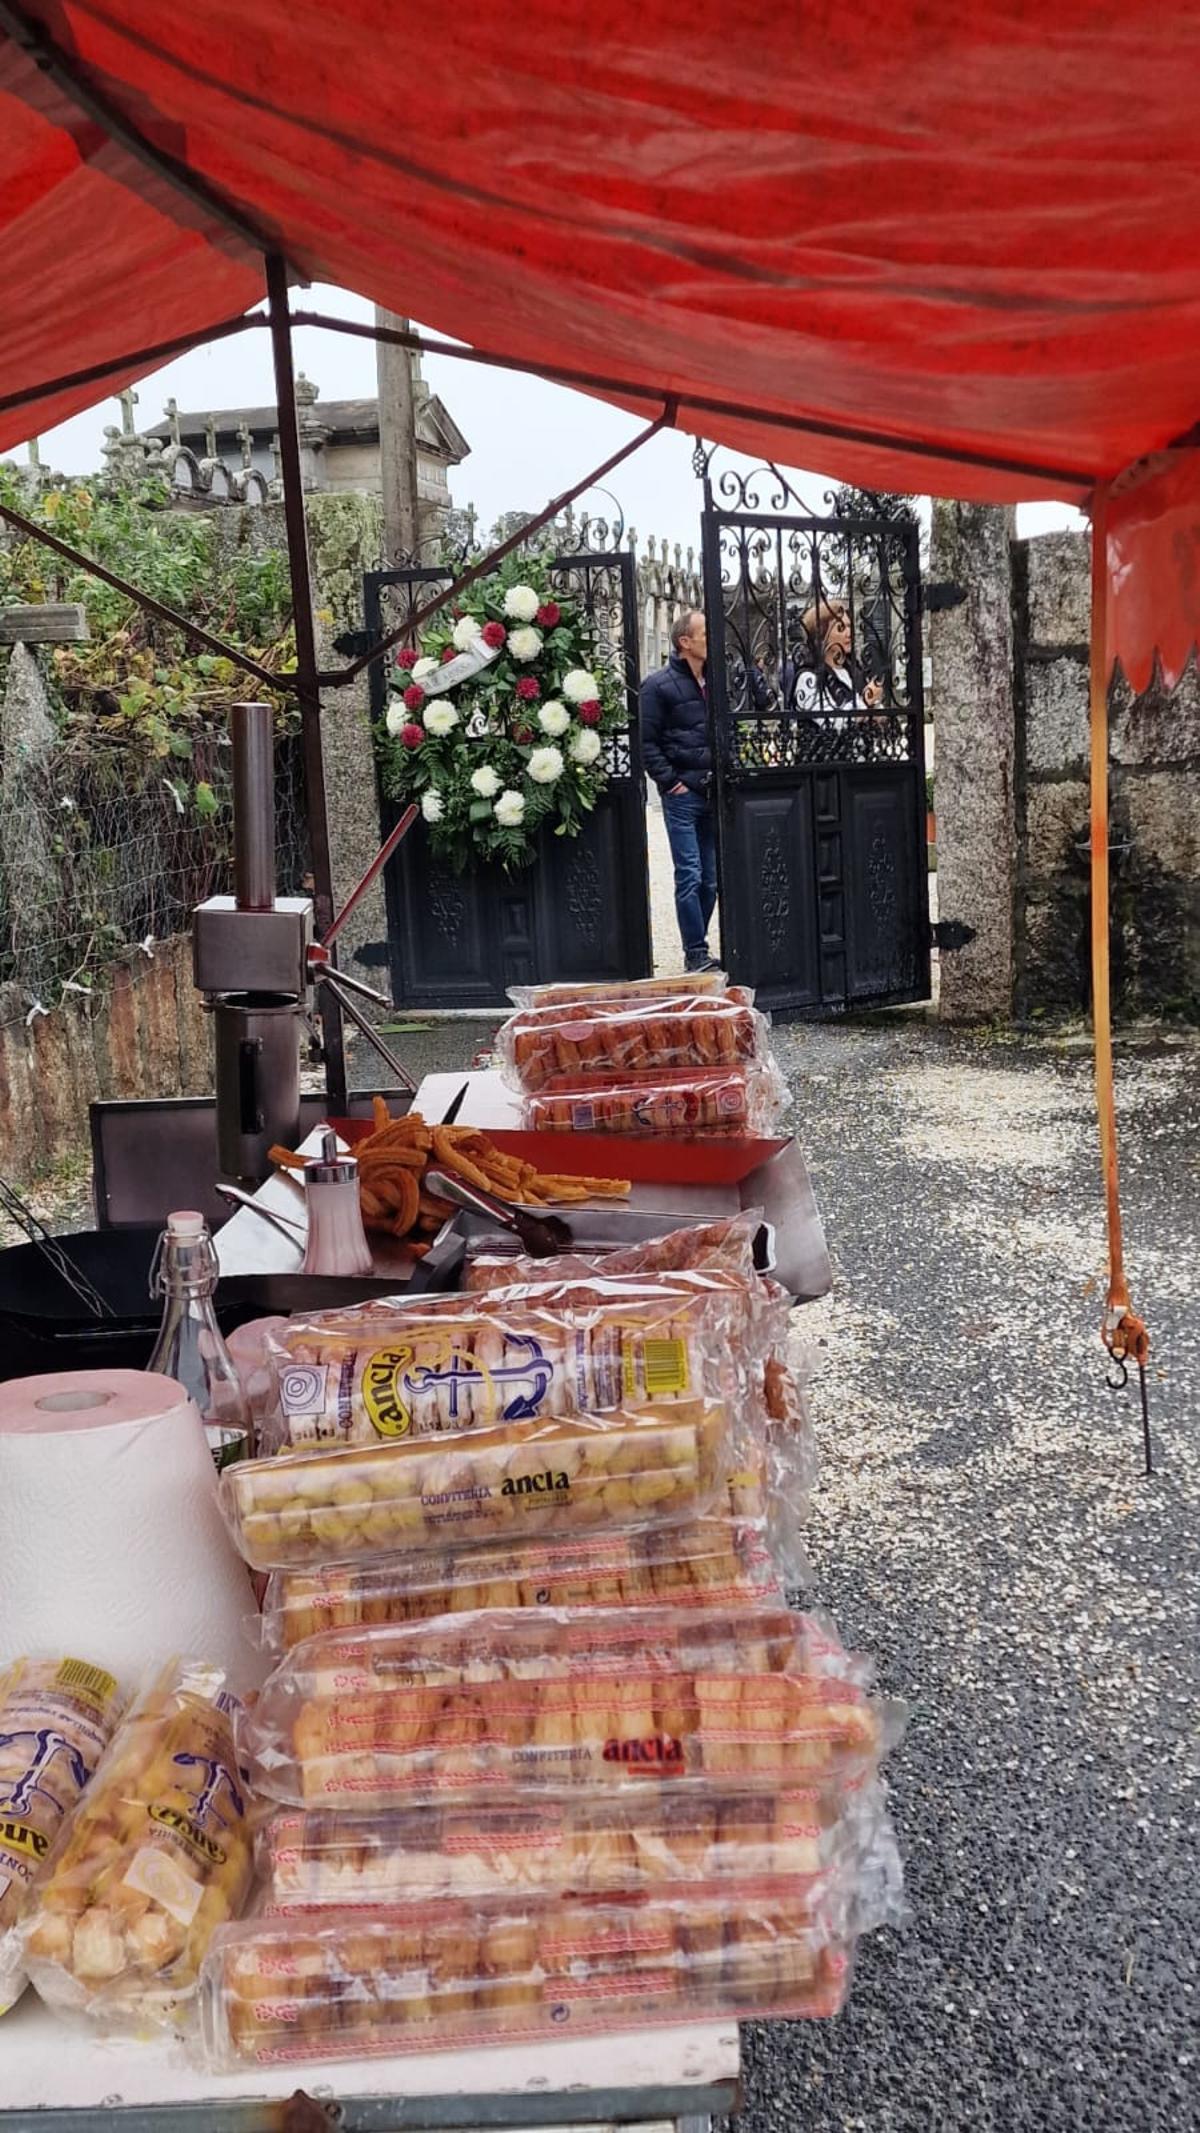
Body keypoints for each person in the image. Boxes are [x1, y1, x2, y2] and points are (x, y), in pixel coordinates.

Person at [640, 608, 720, 973]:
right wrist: (671, 783)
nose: (712, 639)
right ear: (684, 642)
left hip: (713, 792)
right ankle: (695, 953)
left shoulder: (716, 682)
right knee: (690, 873)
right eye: (705, 633)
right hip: (683, 795)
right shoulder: (657, 686)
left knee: (712, 878)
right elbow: (647, 743)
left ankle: (696, 947)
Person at [788, 599, 883, 712]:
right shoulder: (808, 677)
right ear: (822, 635)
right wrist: (866, 701)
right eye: (841, 628)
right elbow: (832, 721)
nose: (849, 633)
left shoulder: (854, 670)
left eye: (849, 626)